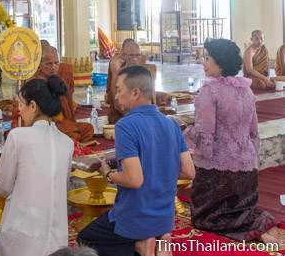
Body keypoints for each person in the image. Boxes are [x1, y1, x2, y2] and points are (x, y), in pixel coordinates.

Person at [78, 65, 195, 256]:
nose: (115, 97)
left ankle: (139, 246)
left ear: (135, 92)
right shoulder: (171, 124)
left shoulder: (126, 125)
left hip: (135, 217)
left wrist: (108, 174)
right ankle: (156, 244)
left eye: (118, 90)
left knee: (86, 239)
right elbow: (189, 172)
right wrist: (158, 170)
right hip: (164, 218)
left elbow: (134, 180)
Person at [187, 39, 283, 246]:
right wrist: (249, 157)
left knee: (203, 218)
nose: (204, 62)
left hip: (219, 174)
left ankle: (250, 226)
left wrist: (186, 133)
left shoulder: (209, 91)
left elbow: (205, 136)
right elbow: (253, 132)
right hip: (247, 171)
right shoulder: (245, 89)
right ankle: (253, 222)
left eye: (208, 58)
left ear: (220, 63)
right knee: (240, 208)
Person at [0, 76, 74, 256]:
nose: (20, 111)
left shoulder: (18, 137)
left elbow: (3, 186)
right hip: (57, 240)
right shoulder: (67, 142)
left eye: (21, 105)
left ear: (33, 106)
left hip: (22, 239)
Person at [27, 43, 94, 143]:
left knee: (88, 129)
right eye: (49, 64)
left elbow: (68, 104)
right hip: (46, 123)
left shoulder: (59, 78)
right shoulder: (35, 82)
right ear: (39, 64)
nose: (53, 67)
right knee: (70, 136)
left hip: (62, 122)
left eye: (56, 63)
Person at [105, 39, 145, 124]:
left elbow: (148, 97)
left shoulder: (142, 72)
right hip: (122, 113)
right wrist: (135, 117)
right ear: (124, 56)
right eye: (131, 55)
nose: (135, 59)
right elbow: (117, 105)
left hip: (140, 112)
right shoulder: (118, 72)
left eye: (137, 55)